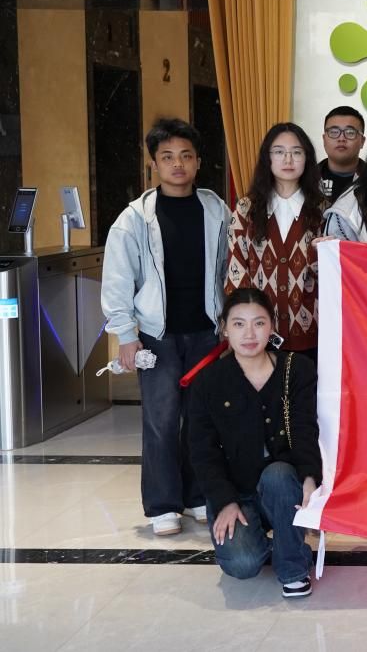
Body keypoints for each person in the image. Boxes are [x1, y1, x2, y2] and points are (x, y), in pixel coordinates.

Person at [101, 118, 230, 536]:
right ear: (153, 164)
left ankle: (196, 495)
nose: (178, 164)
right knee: (161, 420)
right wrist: (126, 336)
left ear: (198, 162)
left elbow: (229, 268)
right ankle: (162, 504)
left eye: (186, 156)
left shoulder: (216, 209)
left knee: (201, 418)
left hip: (206, 332)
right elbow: (117, 280)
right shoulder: (134, 219)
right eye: (168, 157)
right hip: (157, 336)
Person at [187, 288, 320, 599]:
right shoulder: (208, 382)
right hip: (236, 491)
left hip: (283, 487)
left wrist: (310, 479)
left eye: (259, 323)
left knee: (278, 475)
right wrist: (224, 501)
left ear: (272, 326)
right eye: (239, 324)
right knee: (242, 564)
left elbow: (306, 430)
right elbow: (203, 452)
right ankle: (280, 540)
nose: (249, 334)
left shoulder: (297, 369)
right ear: (224, 328)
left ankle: (293, 569)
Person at [225, 123, 326, 360]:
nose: (288, 159)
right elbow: (237, 272)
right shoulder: (246, 209)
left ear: (307, 158)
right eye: (279, 151)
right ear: (267, 158)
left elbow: (330, 276)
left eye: (297, 152)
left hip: (311, 333)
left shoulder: (323, 210)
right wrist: (240, 327)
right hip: (258, 336)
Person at [318, 105, 365, 204]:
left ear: (362, 141)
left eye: (350, 132)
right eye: (334, 132)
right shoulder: (307, 179)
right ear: (324, 140)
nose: (341, 138)